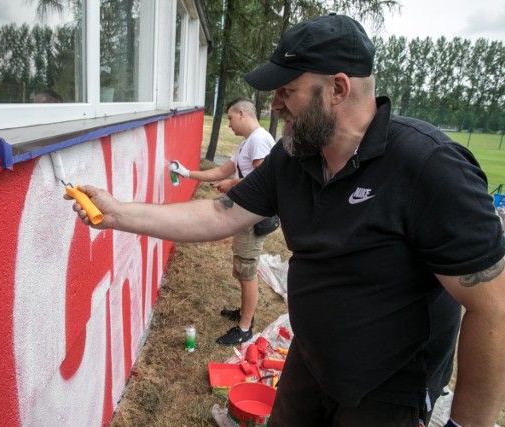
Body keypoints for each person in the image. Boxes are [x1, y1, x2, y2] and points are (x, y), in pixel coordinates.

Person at [66, 14, 505, 426]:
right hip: (309, 360)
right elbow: (221, 212)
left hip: (387, 391)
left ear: (337, 88)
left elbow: (492, 308)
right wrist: (117, 212)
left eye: (286, 91)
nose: (274, 106)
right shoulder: (293, 156)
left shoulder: (429, 167)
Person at [169, 97, 276, 345]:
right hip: (244, 214)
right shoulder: (247, 143)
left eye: (229, 118)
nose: (229, 125)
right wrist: (186, 173)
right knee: (241, 267)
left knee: (247, 270)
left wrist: (232, 184)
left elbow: (263, 179)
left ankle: (245, 327)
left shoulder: (259, 139)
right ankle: (244, 313)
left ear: (242, 113)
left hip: (253, 215)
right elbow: (220, 172)